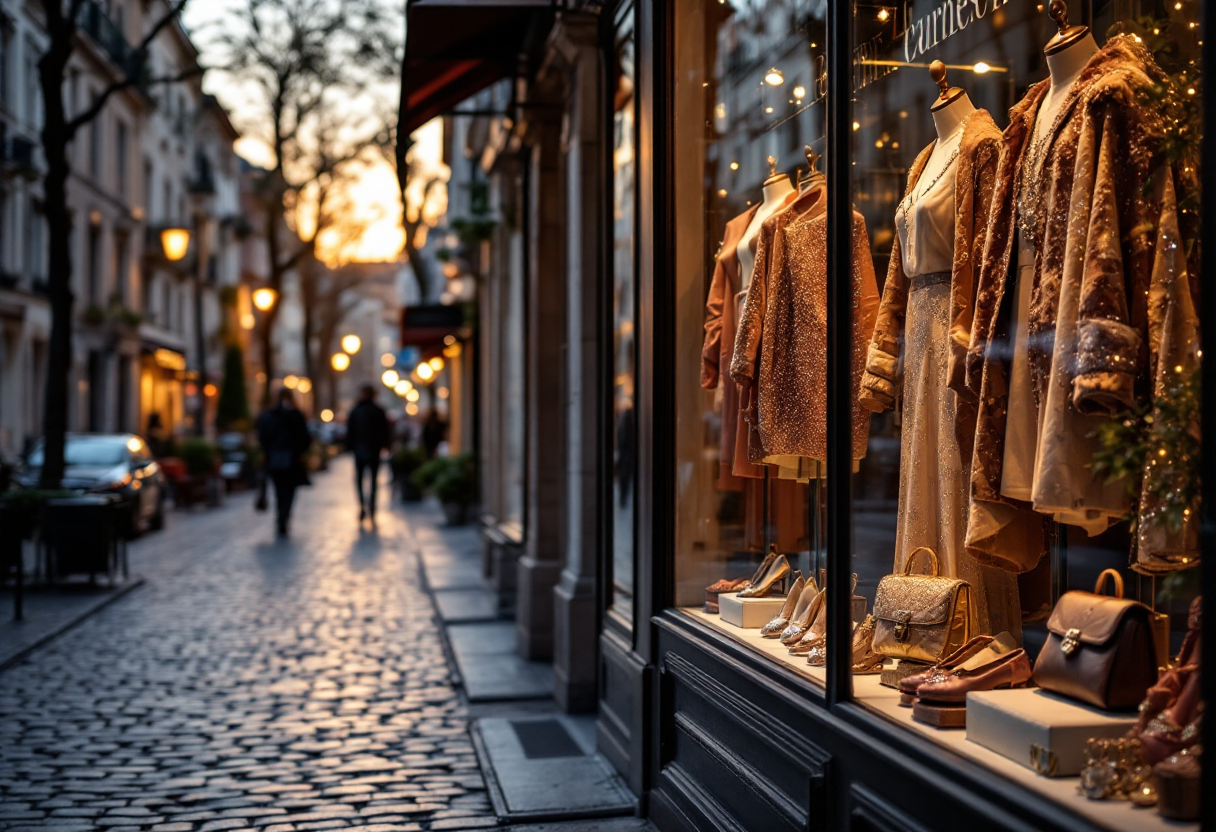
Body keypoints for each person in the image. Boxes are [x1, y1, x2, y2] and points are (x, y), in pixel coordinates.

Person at [256, 387, 312, 536]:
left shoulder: (268, 415)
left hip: (273, 459)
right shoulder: (296, 414)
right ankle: (284, 515)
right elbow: (305, 437)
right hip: (292, 459)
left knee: (279, 490)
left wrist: (268, 453)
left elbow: (262, 437)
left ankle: (281, 516)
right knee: (290, 490)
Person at [345, 384, 391, 522]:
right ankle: (371, 506)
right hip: (373, 450)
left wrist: (350, 447)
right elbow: (385, 431)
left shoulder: (356, 410)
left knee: (360, 480)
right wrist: (385, 446)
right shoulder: (378, 410)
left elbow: (350, 432)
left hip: (361, 450)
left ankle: (363, 506)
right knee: (373, 480)